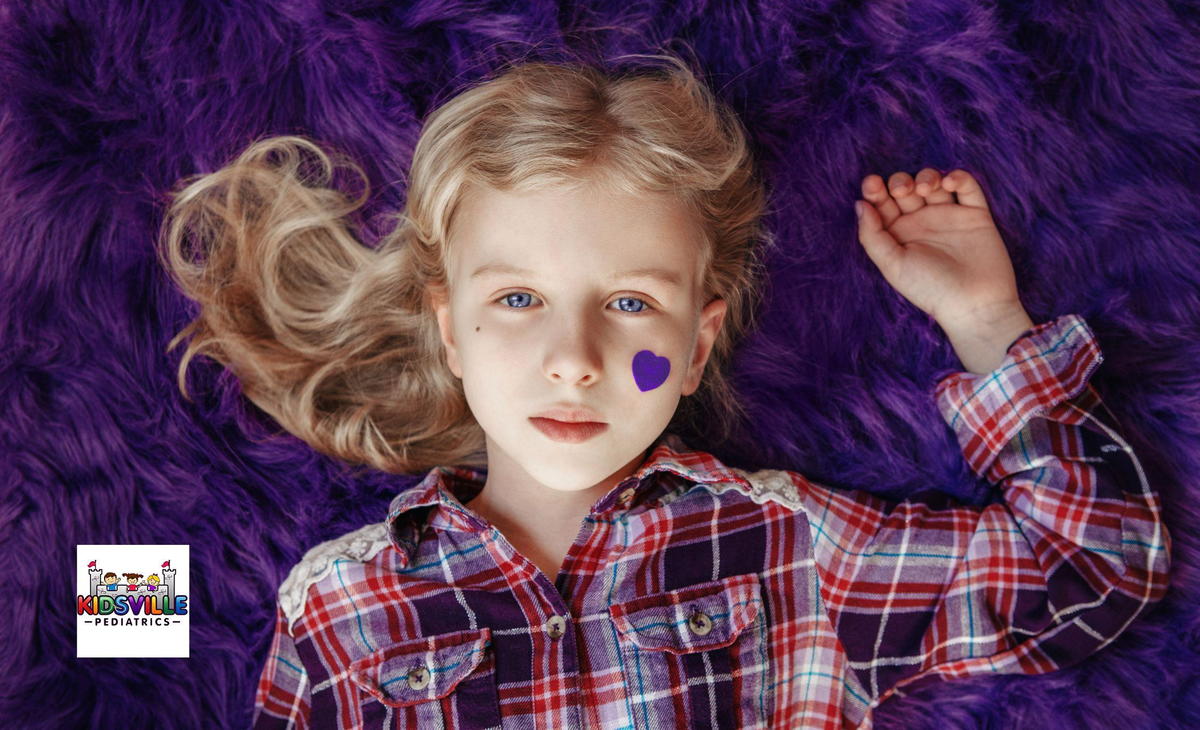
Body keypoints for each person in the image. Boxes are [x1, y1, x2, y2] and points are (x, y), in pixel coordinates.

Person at [156, 54, 1170, 729]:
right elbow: (114, 619)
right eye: (517, 298)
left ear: (697, 346)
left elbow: (1089, 570)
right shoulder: (340, 602)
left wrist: (987, 324)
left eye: (633, 302)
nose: (575, 357)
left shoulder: (792, 550)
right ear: (448, 328)